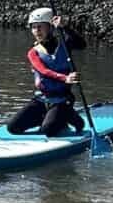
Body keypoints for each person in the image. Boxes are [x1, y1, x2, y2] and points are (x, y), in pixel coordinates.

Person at [7, 7, 87, 138]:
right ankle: (51, 118)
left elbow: (82, 44)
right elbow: (43, 71)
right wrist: (65, 78)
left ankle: (69, 116)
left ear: (50, 27)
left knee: (48, 131)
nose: (37, 30)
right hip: (41, 99)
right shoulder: (33, 52)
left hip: (62, 100)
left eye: (41, 26)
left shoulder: (64, 44)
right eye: (34, 27)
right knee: (13, 127)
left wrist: (65, 27)